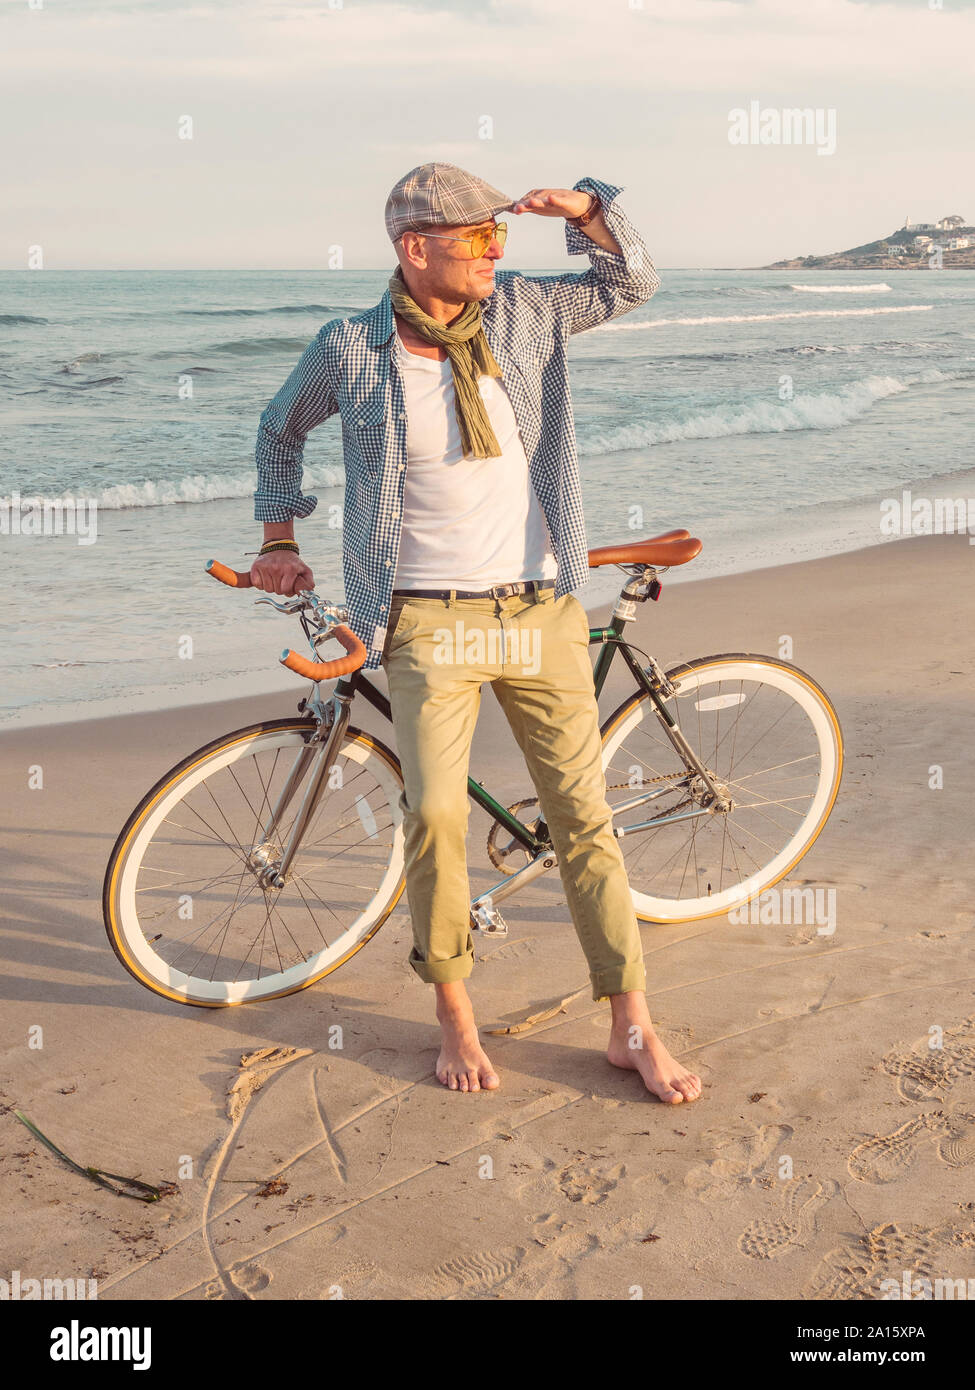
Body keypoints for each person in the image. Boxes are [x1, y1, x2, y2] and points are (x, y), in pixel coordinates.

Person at [251, 163, 702, 1104]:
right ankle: (454, 1018)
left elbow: (631, 282)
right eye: (479, 241)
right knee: (436, 820)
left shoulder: (526, 317)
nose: (498, 255)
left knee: (583, 821)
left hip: (538, 608)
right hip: (425, 619)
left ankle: (631, 1023)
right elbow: (278, 427)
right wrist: (279, 537)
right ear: (416, 249)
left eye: (502, 239)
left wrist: (588, 208)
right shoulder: (352, 349)